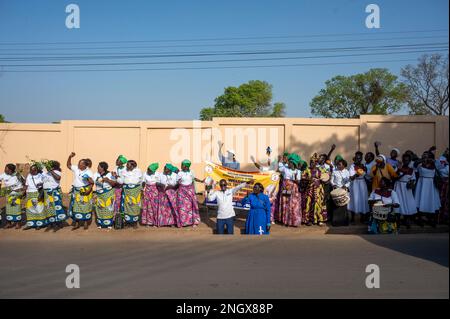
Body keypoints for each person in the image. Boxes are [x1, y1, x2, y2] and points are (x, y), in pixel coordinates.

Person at [67, 152, 94, 230]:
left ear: (85, 165)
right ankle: (77, 223)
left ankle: (85, 223)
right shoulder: (76, 168)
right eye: (78, 163)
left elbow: (92, 183)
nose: (78, 164)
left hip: (84, 191)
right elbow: (68, 165)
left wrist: (88, 190)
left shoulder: (88, 172)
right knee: (76, 207)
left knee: (85, 206)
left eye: (80, 163)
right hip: (76, 191)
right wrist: (70, 157)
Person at [176, 159, 204, 227]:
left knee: (192, 205)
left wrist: (201, 181)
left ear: (186, 166)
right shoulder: (180, 173)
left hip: (190, 191)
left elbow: (194, 178)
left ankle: (194, 222)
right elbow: (177, 182)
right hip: (182, 191)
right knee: (182, 207)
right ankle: (183, 222)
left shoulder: (191, 172)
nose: (181, 166)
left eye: (182, 165)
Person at [414, 157, 441, 227]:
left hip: (431, 186)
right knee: (421, 201)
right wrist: (422, 160)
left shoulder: (435, 165)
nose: (427, 159)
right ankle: (420, 219)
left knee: (432, 202)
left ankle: (431, 220)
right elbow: (414, 164)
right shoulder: (420, 165)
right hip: (422, 185)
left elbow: (440, 165)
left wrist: (433, 160)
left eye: (428, 157)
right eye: (425, 157)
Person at [277, 153, 302, 227]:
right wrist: (280, 161)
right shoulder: (285, 169)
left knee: (294, 205)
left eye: (290, 163)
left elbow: (299, 181)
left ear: (293, 164)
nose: (289, 164)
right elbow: (278, 169)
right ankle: (286, 221)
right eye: (289, 162)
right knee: (286, 204)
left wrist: (295, 179)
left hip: (294, 189)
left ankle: (293, 222)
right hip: (285, 188)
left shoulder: (298, 171)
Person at [116, 160, 143, 228]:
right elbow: (121, 181)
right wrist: (116, 177)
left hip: (136, 191)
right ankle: (127, 222)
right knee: (126, 206)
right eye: (127, 164)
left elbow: (141, 182)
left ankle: (134, 223)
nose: (126, 166)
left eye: (128, 164)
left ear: (133, 166)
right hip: (126, 191)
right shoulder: (124, 171)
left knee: (135, 206)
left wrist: (142, 190)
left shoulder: (138, 171)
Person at [394, 153, 417, 229]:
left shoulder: (411, 170)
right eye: (404, 160)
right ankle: (398, 221)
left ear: (410, 161)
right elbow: (394, 177)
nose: (405, 161)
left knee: (407, 203)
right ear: (402, 160)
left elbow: (413, 179)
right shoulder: (398, 168)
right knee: (398, 203)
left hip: (407, 189)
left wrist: (411, 183)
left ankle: (406, 220)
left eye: (407, 160)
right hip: (398, 187)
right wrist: (399, 169)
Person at [42, 160, 66, 231]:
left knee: (56, 208)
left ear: (52, 166)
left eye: (48, 165)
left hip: (54, 192)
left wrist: (51, 171)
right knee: (49, 208)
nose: (46, 167)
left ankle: (57, 224)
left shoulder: (57, 172)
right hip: (47, 193)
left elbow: (58, 178)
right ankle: (51, 224)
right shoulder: (46, 173)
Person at [304, 153, 327, 226]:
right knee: (309, 204)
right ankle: (308, 220)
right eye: (310, 162)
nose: (311, 163)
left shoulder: (320, 170)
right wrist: (308, 178)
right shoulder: (307, 170)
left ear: (316, 163)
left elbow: (326, 177)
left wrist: (323, 179)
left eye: (313, 162)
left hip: (318, 189)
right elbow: (303, 177)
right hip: (310, 189)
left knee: (318, 203)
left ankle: (319, 219)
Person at [93, 162, 116, 229]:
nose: (97, 168)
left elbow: (114, 183)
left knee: (109, 208)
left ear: (103, 168)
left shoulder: (109, 174)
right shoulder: (95, 174)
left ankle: (109, 224)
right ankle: (100, 223)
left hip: (108, 193)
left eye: (99, 167)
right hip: (99, 194)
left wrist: (108, 180)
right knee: (100, 208)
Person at [0, 164, 24, 229]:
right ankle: (9, 223)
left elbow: (24, 182)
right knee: (8, 209)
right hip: (9, 194)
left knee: (17, 208)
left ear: (10, 170)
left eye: (6, 168)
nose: (4, 170)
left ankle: (18, 223)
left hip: (17, 193)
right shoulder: (3, 175)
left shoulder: (17, 175)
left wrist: (23, 191)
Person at [348, 152, 370, 223]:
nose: (358, 159)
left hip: (362, 183)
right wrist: (357, 173)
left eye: (360, 158)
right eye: (357, 158)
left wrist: (364, 170)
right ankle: (353, 217)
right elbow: (351, 177)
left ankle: (362, 217)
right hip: (355, 184)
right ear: (355, 158)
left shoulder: (364, 166)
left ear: (361, 158)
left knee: (363, 199)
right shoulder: (352, 166)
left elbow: (367, 176)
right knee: (354, 199)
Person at [23, 164, 46, 230]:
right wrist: (24, 192)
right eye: (30, 170)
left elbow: (46, 182)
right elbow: (27, 185)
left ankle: (39, 224)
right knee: (30, 209)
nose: (31, 171)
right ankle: (30, 224)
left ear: (36, 170)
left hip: (37, 193)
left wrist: (41, 184)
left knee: (39, 209)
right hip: (29, 193)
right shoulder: (29, 175)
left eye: (32, 170)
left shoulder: (41, 175)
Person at [330, 159, 350, 226]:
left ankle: (344, 222)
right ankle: (336, 222)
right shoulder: (334, 171)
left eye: (340, 164)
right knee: (336, 207)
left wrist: (345, 186)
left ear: (344, 165)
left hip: (343, 191)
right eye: (338, 164)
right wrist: (333, 185)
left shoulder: (347, 172)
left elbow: (349, 181)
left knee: (343, 206)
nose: (338, 165)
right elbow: (331, 180)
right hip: (336, 191)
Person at [111, 155, 128, 229]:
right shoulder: (116, 168)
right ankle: (115, 220)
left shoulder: (125, 170)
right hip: (116, 188)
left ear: (121, 162)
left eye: (118, 160)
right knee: (115, 204)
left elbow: (122, 181)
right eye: (116, 160)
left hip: (122, 189)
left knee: (122, 204)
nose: (116, 161)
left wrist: (115, 176)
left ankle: (122, 220)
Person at [436, 149, 449, 224]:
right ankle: (440, 218)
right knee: (442, 200)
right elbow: (440, 170)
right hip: (443, 183)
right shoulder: (441, 160)